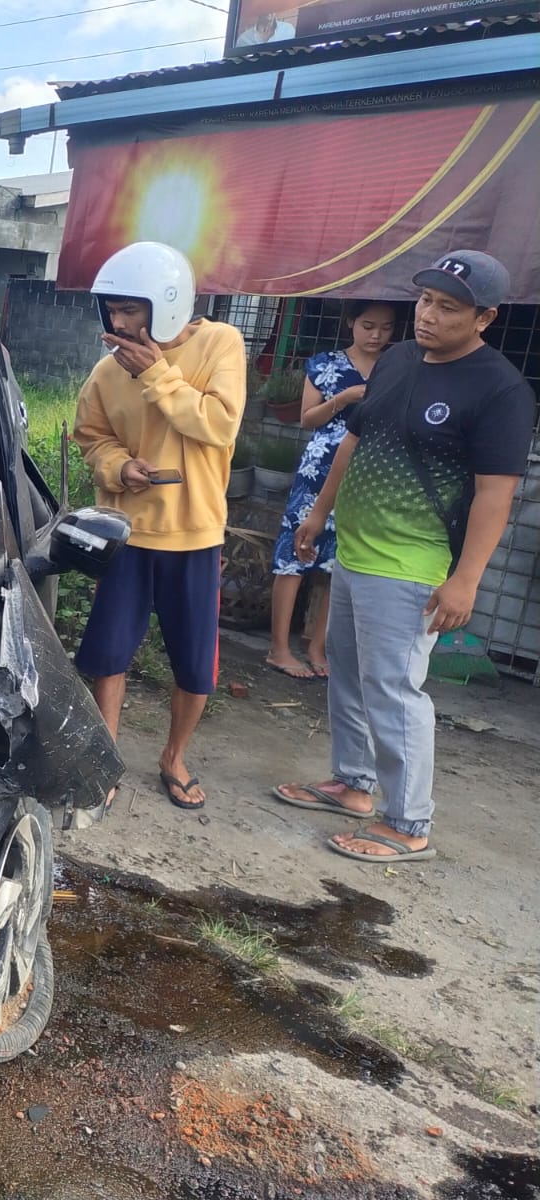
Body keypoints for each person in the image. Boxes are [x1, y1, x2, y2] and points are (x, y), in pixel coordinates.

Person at [274, 250, 535, 863]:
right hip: (357, 549)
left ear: (485, 318)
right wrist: (318, 515)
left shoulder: (501, 390)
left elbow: (496, 495)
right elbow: (353, 440)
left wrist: (465, 579)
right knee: (346, 670)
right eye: (424, 300)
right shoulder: (397, 359)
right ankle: (354, 785)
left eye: (448, 307)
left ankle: (409, 822)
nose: (428, 315)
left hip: (414, 564)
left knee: (393, 690)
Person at [72, 241, 247, 810]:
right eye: (113, 312)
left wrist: (159, 376)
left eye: (131, 310)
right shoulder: (105, 370)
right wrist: (119, 467)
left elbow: (218, 425)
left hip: (195, 534)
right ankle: (105, 755)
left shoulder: (220, 343)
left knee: (195, 664)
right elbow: (91, 438)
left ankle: (174, 758)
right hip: (126, 531)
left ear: (166, 304)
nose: (119, 324)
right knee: (107, 653)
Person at [265, 302, 398, 679]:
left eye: (386, 328)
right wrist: (346, 398)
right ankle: (278, 648)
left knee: (339, 561)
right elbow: (308, 419)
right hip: (320, 468)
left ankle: (317, 646)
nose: (376, 335)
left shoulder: (397, 367)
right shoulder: (324, 363)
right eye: (368, 326)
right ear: (350, 323)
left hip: (368, 472)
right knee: (295, 554)